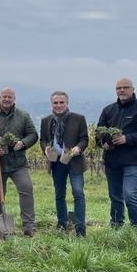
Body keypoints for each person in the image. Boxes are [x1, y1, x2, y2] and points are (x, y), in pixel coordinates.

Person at [0, 87, 38, 236]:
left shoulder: (23, 116)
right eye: (4, 96)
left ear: (14, 99)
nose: (7, 99)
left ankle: (29, 226)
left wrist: (23, 143)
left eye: (10, 97)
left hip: (18, 163)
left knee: (26, 189)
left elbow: (33, 135)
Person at [97, 78, 137, 228]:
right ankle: (116, 225)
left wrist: (127, 139)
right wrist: (102, 142)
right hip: (112, 161)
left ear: (133, 89)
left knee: (130, 195)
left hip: (134, 161)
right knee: (115, 196)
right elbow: (99, 132)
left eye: (125, 87)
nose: (122, 90)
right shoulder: (108, 110)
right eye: (119, 88)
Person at [39, 91, 89, 237]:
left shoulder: (78, 119)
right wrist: (46, 148)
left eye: (61, 102)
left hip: (74, 161)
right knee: (59, 194)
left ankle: (80, 228)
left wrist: (78, 148)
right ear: (51, 104)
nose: (59, 105)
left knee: (78, 193)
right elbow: (43, 139)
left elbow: (84, 139)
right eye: (56, 103)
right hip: (57, 162)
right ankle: (62, 224)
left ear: (67, 103)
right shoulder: (46, 121)